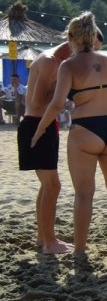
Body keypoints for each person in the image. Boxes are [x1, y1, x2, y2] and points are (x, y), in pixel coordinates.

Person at [30, 13, 107, 257]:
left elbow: (57, 104)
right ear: (93, 35)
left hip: (86, 128)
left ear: (71, 37)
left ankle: (79, 250)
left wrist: (39, 129)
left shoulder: (68, 65)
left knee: (84, 193)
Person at [18, 41, 74, 253]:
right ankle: (50, 242)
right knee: (53, 186)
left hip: (43, 124)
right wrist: (64, 91)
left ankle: (43, 237)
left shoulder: (54, 59)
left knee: (47, 186)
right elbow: (37, 102)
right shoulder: (51, 61)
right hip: (36, 124)